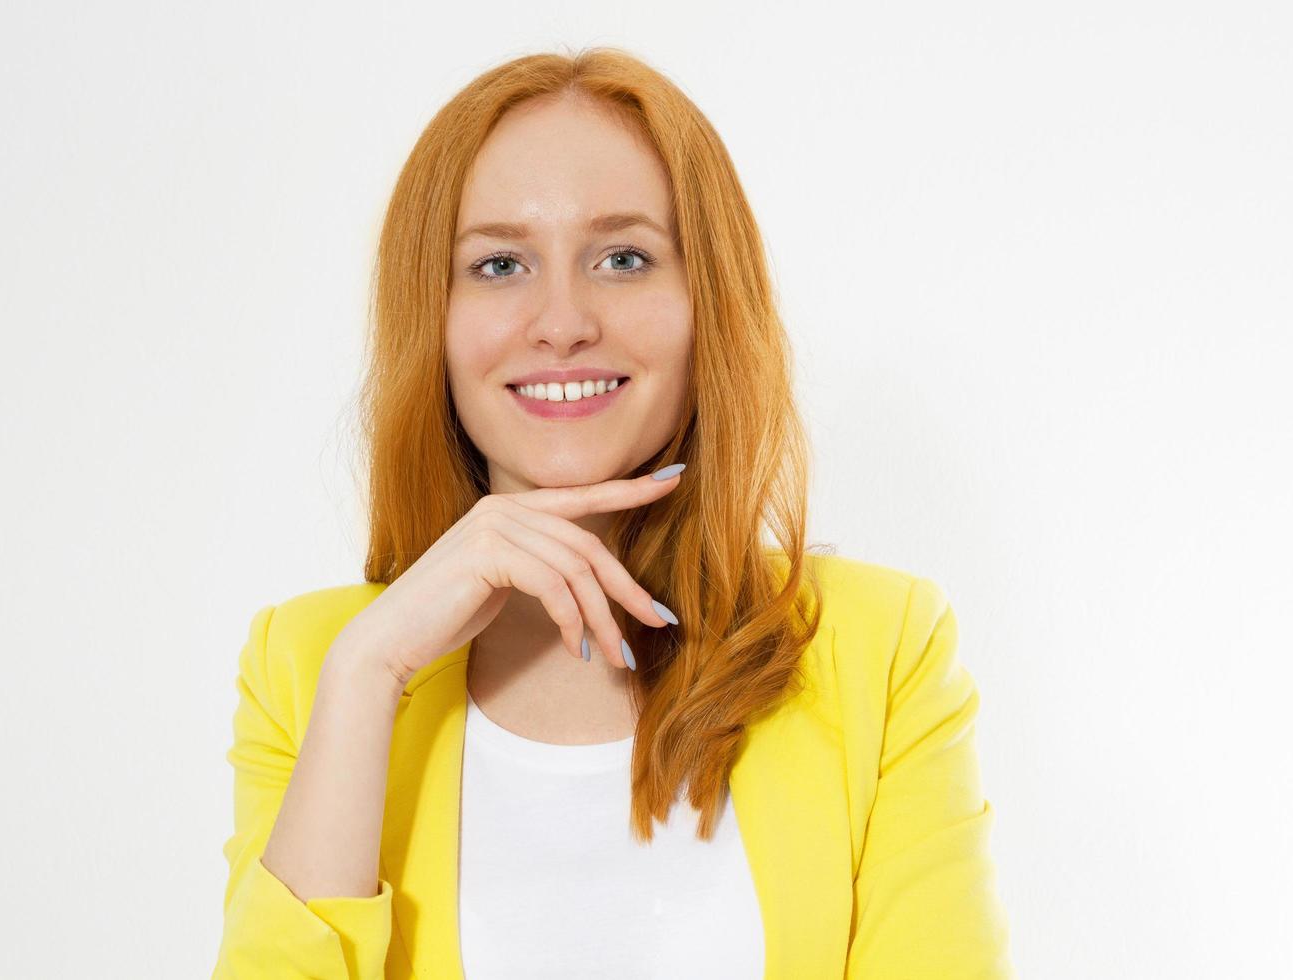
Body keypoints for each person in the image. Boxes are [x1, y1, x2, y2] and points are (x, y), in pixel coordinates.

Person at [212, 46, 1014, 979]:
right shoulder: (314, 669)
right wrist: (368, 673)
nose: (562, 321)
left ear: (709, 302)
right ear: (429, 316)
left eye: (624, 257)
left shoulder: (881, 649)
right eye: (500, 263)